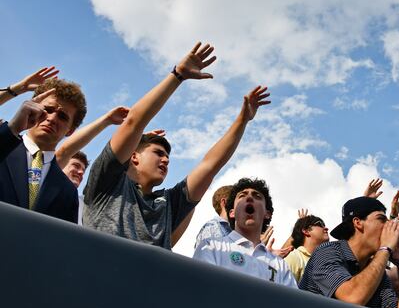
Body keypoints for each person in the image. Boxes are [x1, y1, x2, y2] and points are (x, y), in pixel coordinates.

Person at [83, 42, 270, 250]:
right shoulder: (108, 181)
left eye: (168, 157)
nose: (165, 160)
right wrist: (177, 75)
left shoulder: (168, 203)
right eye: (158, 153)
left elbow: (210, 165)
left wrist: (242, 120)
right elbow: (134, 121)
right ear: (134, 156)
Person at [300, 196, 399, 308]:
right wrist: (385, 248)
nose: (389, 226)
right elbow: (353, 297)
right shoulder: (327, 252)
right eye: (382, 219)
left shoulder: (377, 272)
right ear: (358, 222)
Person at [0, 78, 87, 222]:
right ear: (31, 107)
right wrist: (13, 128)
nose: (52, 118)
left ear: (70, 130)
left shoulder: (68, 192)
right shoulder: (4, 144)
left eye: (62, 116)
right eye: (47, 109)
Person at [193, 178, 296, 287]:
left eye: (257, 196)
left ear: (267, 213)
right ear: (232, 212)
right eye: (242, 196)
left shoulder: (280, 265)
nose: (250, 197)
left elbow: (292, 303)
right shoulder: (211, 247)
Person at [285, 214, 329, 283]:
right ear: (306, 231)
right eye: (320, 224)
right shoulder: (294, 257)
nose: (326, 228)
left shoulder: (328, 262)